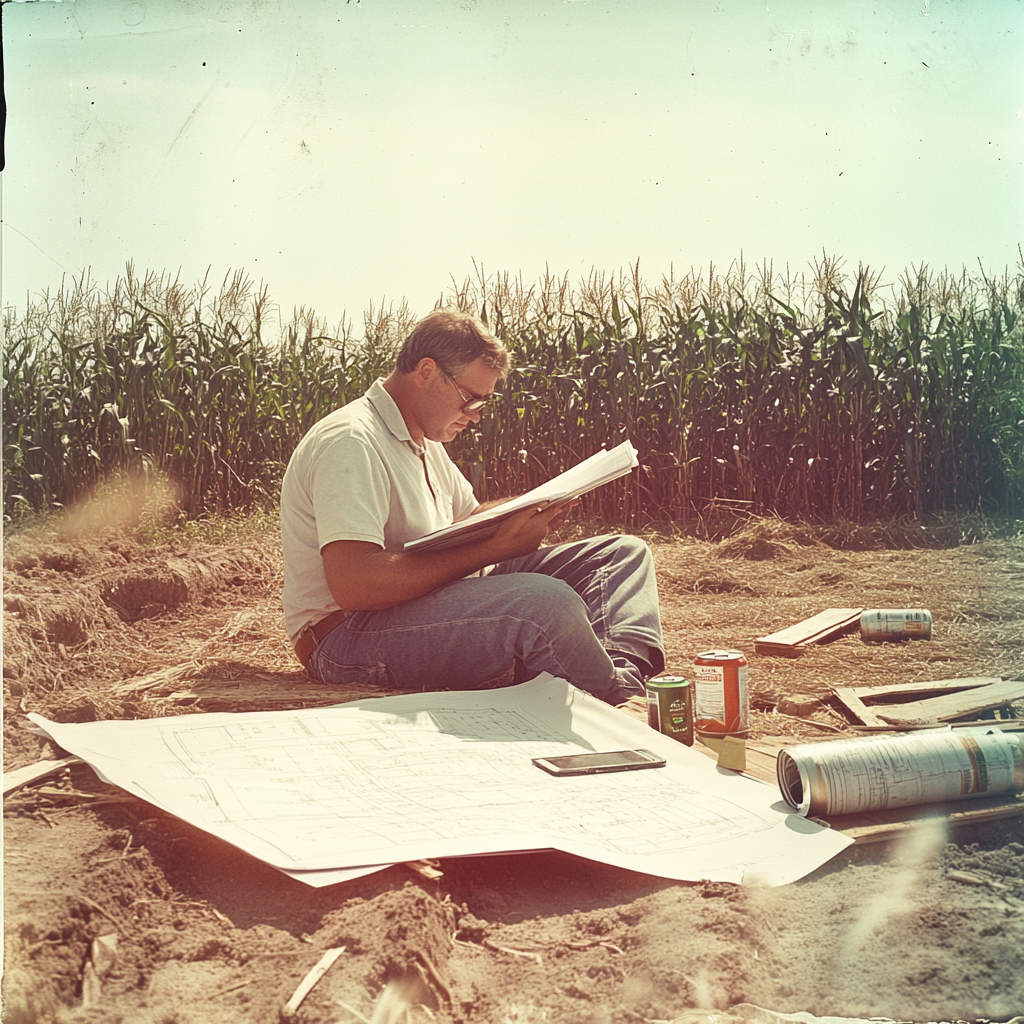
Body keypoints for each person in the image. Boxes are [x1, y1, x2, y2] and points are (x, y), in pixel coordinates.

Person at [280, 309, 665, 705]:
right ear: (427, 371)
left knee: (621, 555)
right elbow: (354, 585)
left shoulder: (423, 441)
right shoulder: (352, 440)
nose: (477, 415)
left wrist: (529, 507)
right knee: (543, 603)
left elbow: (468, 521)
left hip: (421, 602)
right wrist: (495, 548)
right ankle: (617, 703)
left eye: (484, 402)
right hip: (347, 638)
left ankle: (618, 683)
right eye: (470, 398)